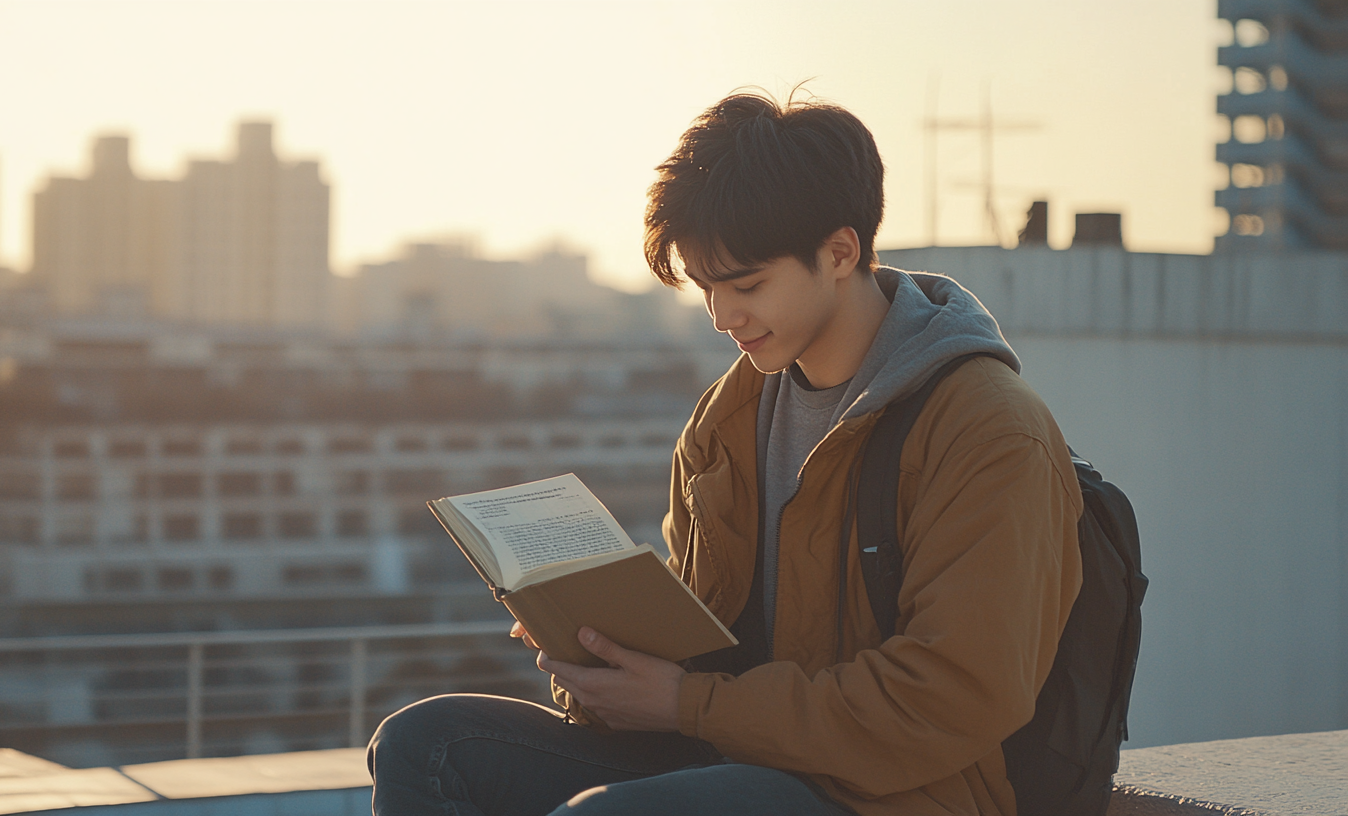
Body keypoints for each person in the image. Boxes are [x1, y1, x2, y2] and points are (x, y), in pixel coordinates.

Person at [368, 92, 1083, 816]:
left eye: (746, 285)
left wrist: (689, 703)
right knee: (424, 747)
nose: (722, 316)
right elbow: (701, 645)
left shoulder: (986, 430)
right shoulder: (729, 419)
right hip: (720, 755)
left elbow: (952, 698)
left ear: (840, 252)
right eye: (707, 287)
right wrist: (593, 656)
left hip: (891, 794)